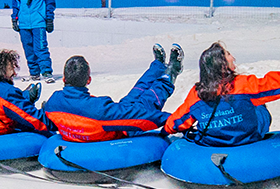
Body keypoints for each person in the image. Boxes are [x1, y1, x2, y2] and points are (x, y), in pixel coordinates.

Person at [164, 42, 280, 146]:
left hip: (213, 141)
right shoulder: (244, 85)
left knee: (202, 114)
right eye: (229, 54)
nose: (233, 57)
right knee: (258, 104)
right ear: (222, 64)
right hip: (245, 140)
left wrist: (166, 131)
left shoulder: (196, 93)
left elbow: (178, 120)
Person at [43, 43, 183, 142]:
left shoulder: (53, 101)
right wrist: (172, 120)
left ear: (63, 78)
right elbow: (142, 118)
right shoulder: (98, 108)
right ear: (89, 80)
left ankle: (158, 66)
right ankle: (171, 73)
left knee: (134, 94)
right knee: (147, 100)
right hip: (120, 129)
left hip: (106, 117)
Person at [11, 0, 56, 82]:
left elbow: (50, 0)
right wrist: (14, 18)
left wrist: (49, 18)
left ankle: (46, 72)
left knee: (40, 47)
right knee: (28, 48)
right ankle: (34, 72)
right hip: (24, 22)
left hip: (38, 21)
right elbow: (15, 2)